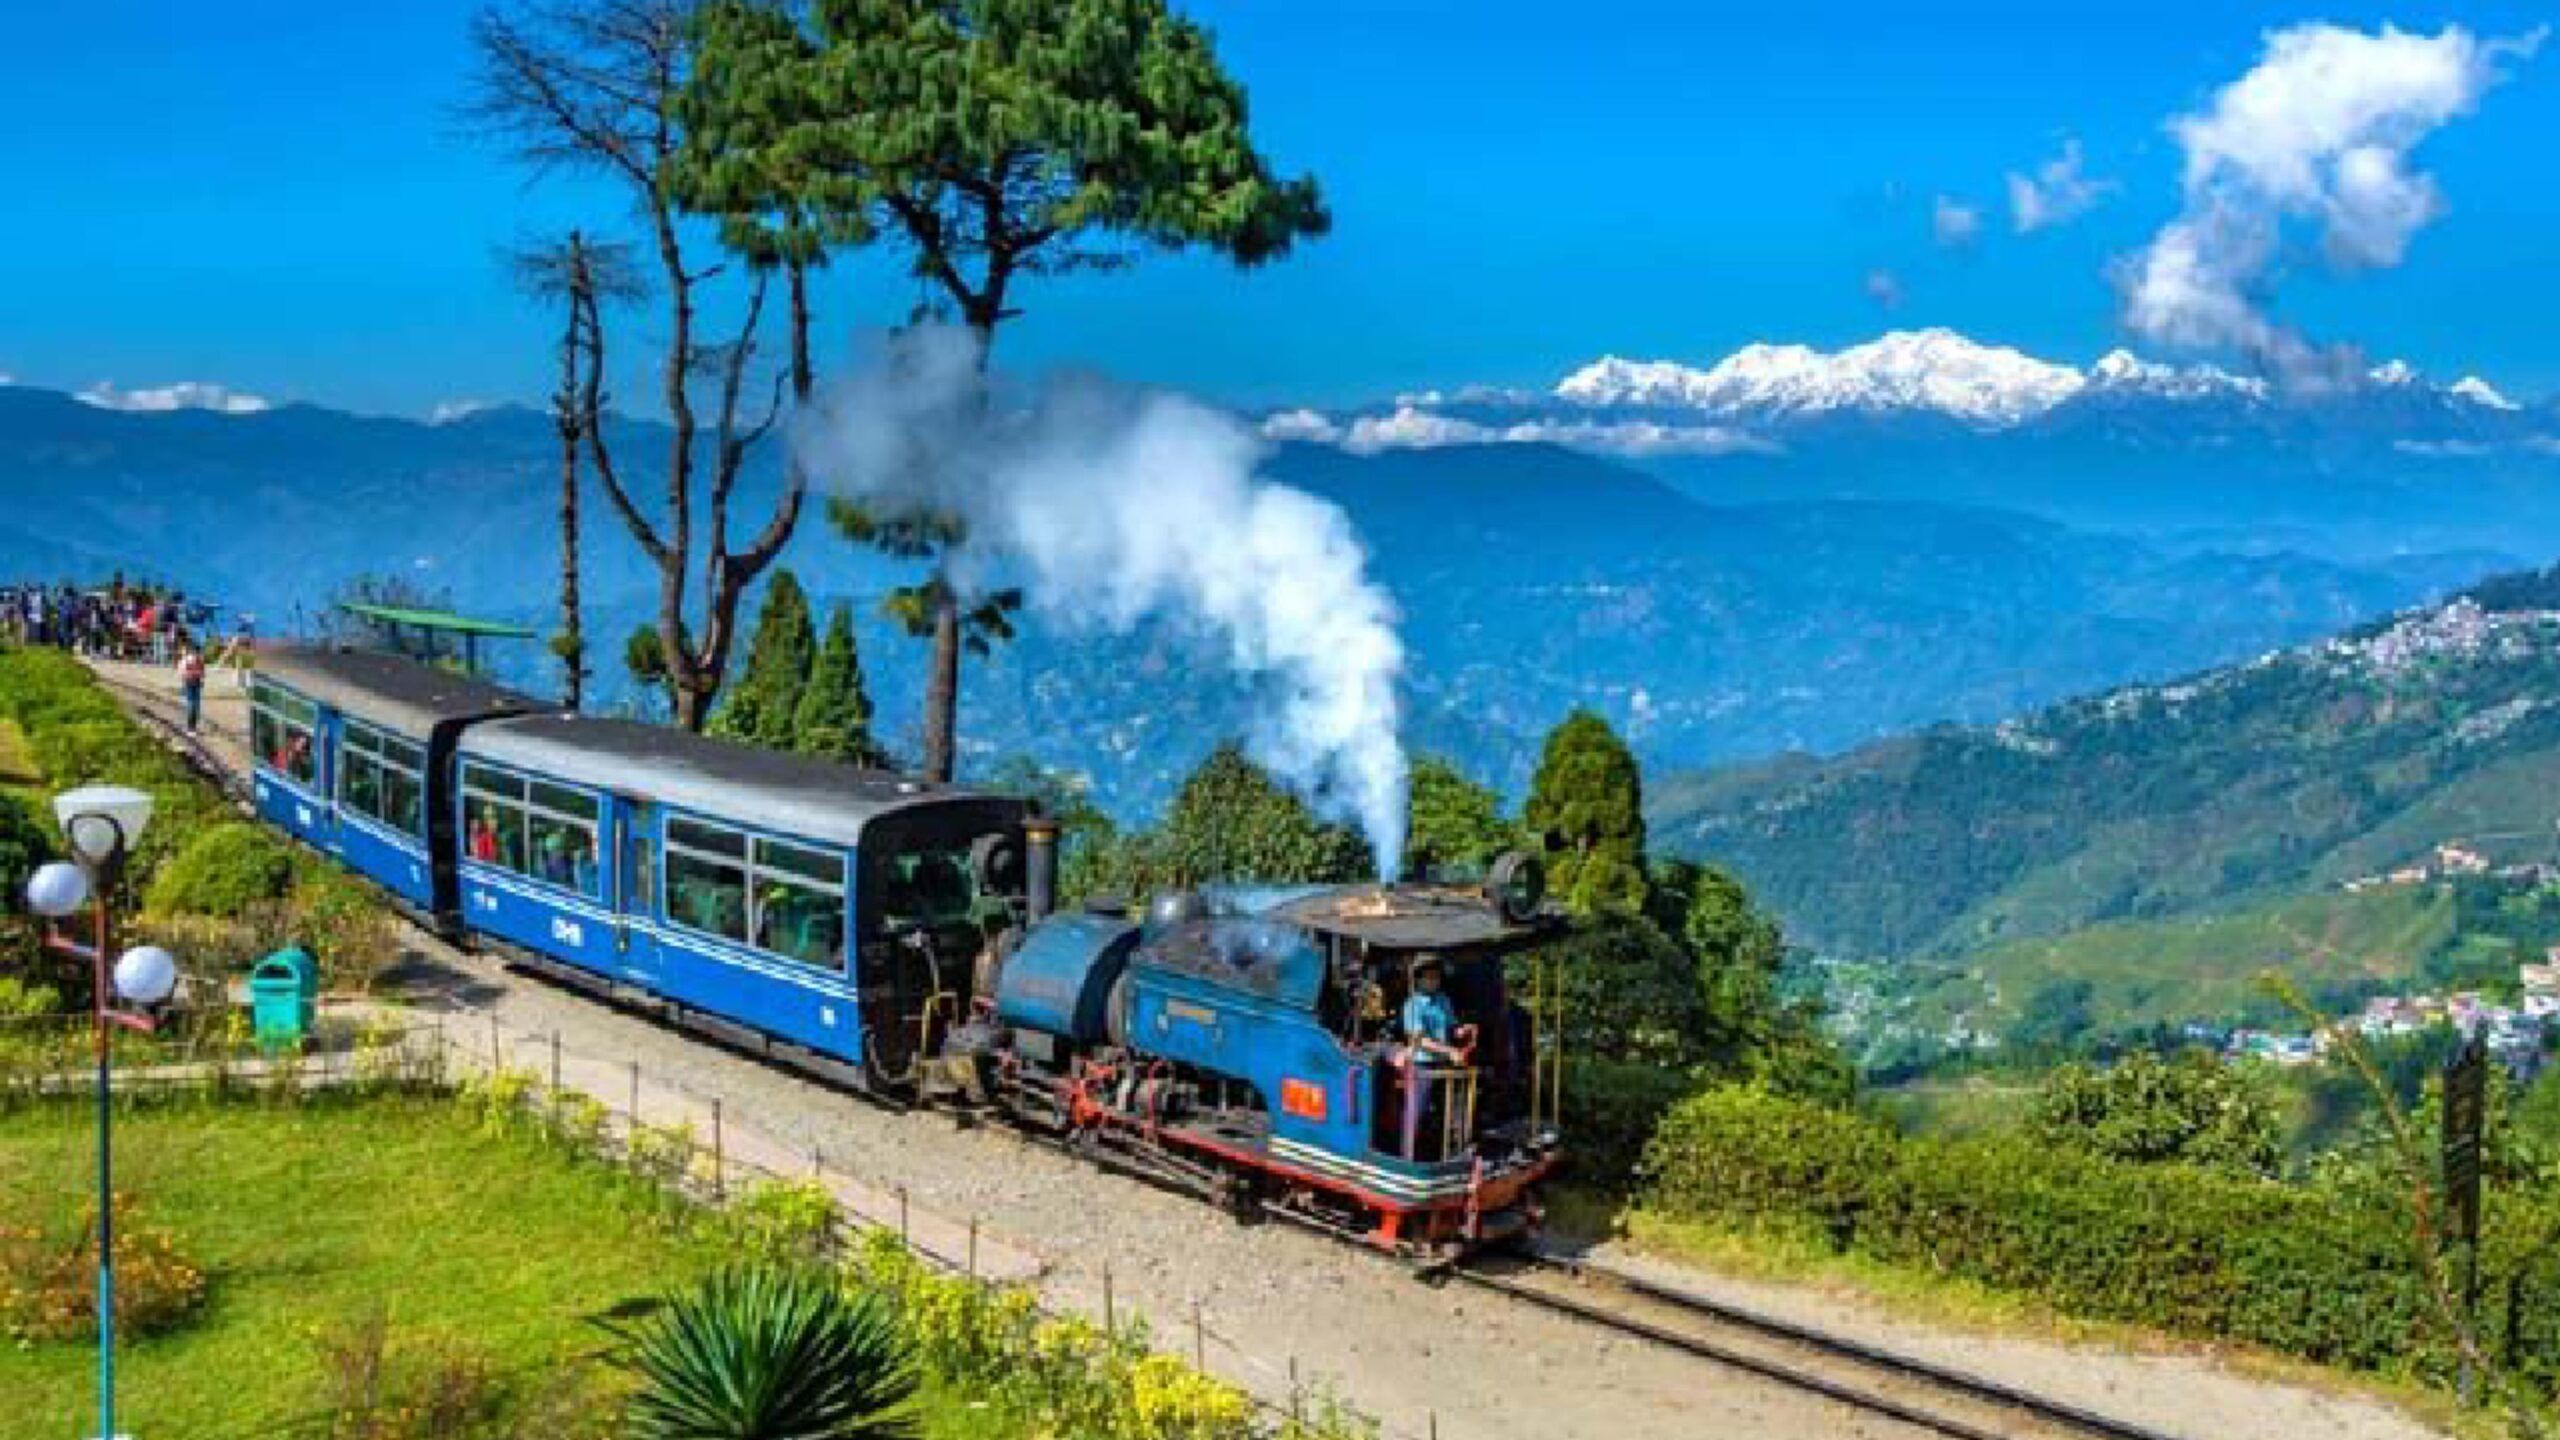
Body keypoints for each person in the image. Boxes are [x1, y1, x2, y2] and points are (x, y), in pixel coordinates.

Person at [1397, 956, 1471, 1159]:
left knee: (1445, 1110)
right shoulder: (1411, 1005)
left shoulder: (1443, 1000)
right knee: (1415, 1112)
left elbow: (1451, 1027)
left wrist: (1461, 1031)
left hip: (1442, 1064)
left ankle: (1444, 1153)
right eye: (1429, 977)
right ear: (1419, 980)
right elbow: (1420, 1040)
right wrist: (1450, 1051)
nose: (1434, 981)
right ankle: (1407, 1156)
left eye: (1436, 977)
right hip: (1421, 1064)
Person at [176, 643, 206, 733]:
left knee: (194, 706)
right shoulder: (188, 660)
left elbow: (202, 673)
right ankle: (191, 728)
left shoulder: (197, 660)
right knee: (192, 706)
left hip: (193, 683)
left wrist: (200, 677)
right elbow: (182, 673)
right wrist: (197, 675)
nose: (198, 653)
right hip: (190, 683)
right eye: (197, 652)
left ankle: (192, 727)